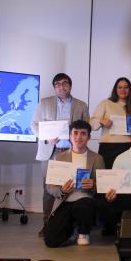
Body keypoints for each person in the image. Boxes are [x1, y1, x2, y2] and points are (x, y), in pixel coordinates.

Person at [31, 73, 90, 237]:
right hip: (51, 152)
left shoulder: (81, 105)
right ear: (54, 87)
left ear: (70, 86)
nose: (61, 87)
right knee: (49, 190)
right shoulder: (45, 103)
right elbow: (33, 124)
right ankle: (47, 224)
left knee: (74, 187)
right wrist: (45, 136)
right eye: (57, 84)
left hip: (73, 152)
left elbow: (87, 126)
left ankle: (74, 226)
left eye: (65, 83)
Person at [43, 120, 105, 247]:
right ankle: (73, 230)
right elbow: (49, 187)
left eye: (83, 134)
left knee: (84, 204)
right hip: (64, 201)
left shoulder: (97, 158)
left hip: (85, 201)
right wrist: (61, 190)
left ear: (89, 137)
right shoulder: (59, 157)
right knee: (51, 241)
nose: (78, 137)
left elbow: (103, 185)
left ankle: (83, 232)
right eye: (75, 133)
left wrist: (93, 185)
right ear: (70, 136)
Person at [90, 77, 131, 169]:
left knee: (125, 177)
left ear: (130, 90)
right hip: (108, 146)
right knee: (107, 176)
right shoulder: (105, 103)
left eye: (126, 87)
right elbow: (91, 124)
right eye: (120, 87)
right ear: (115, 89)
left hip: (128, 147)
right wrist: (101, 121)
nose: (123, 90)